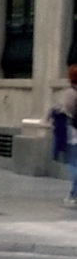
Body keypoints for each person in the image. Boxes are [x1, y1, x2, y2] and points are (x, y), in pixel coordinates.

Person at [54, 64, 77, 208]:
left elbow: (65, 111)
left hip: (73, 133)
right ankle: (73, 194)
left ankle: (73, 195)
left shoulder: (70, 93)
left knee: (72, 163)